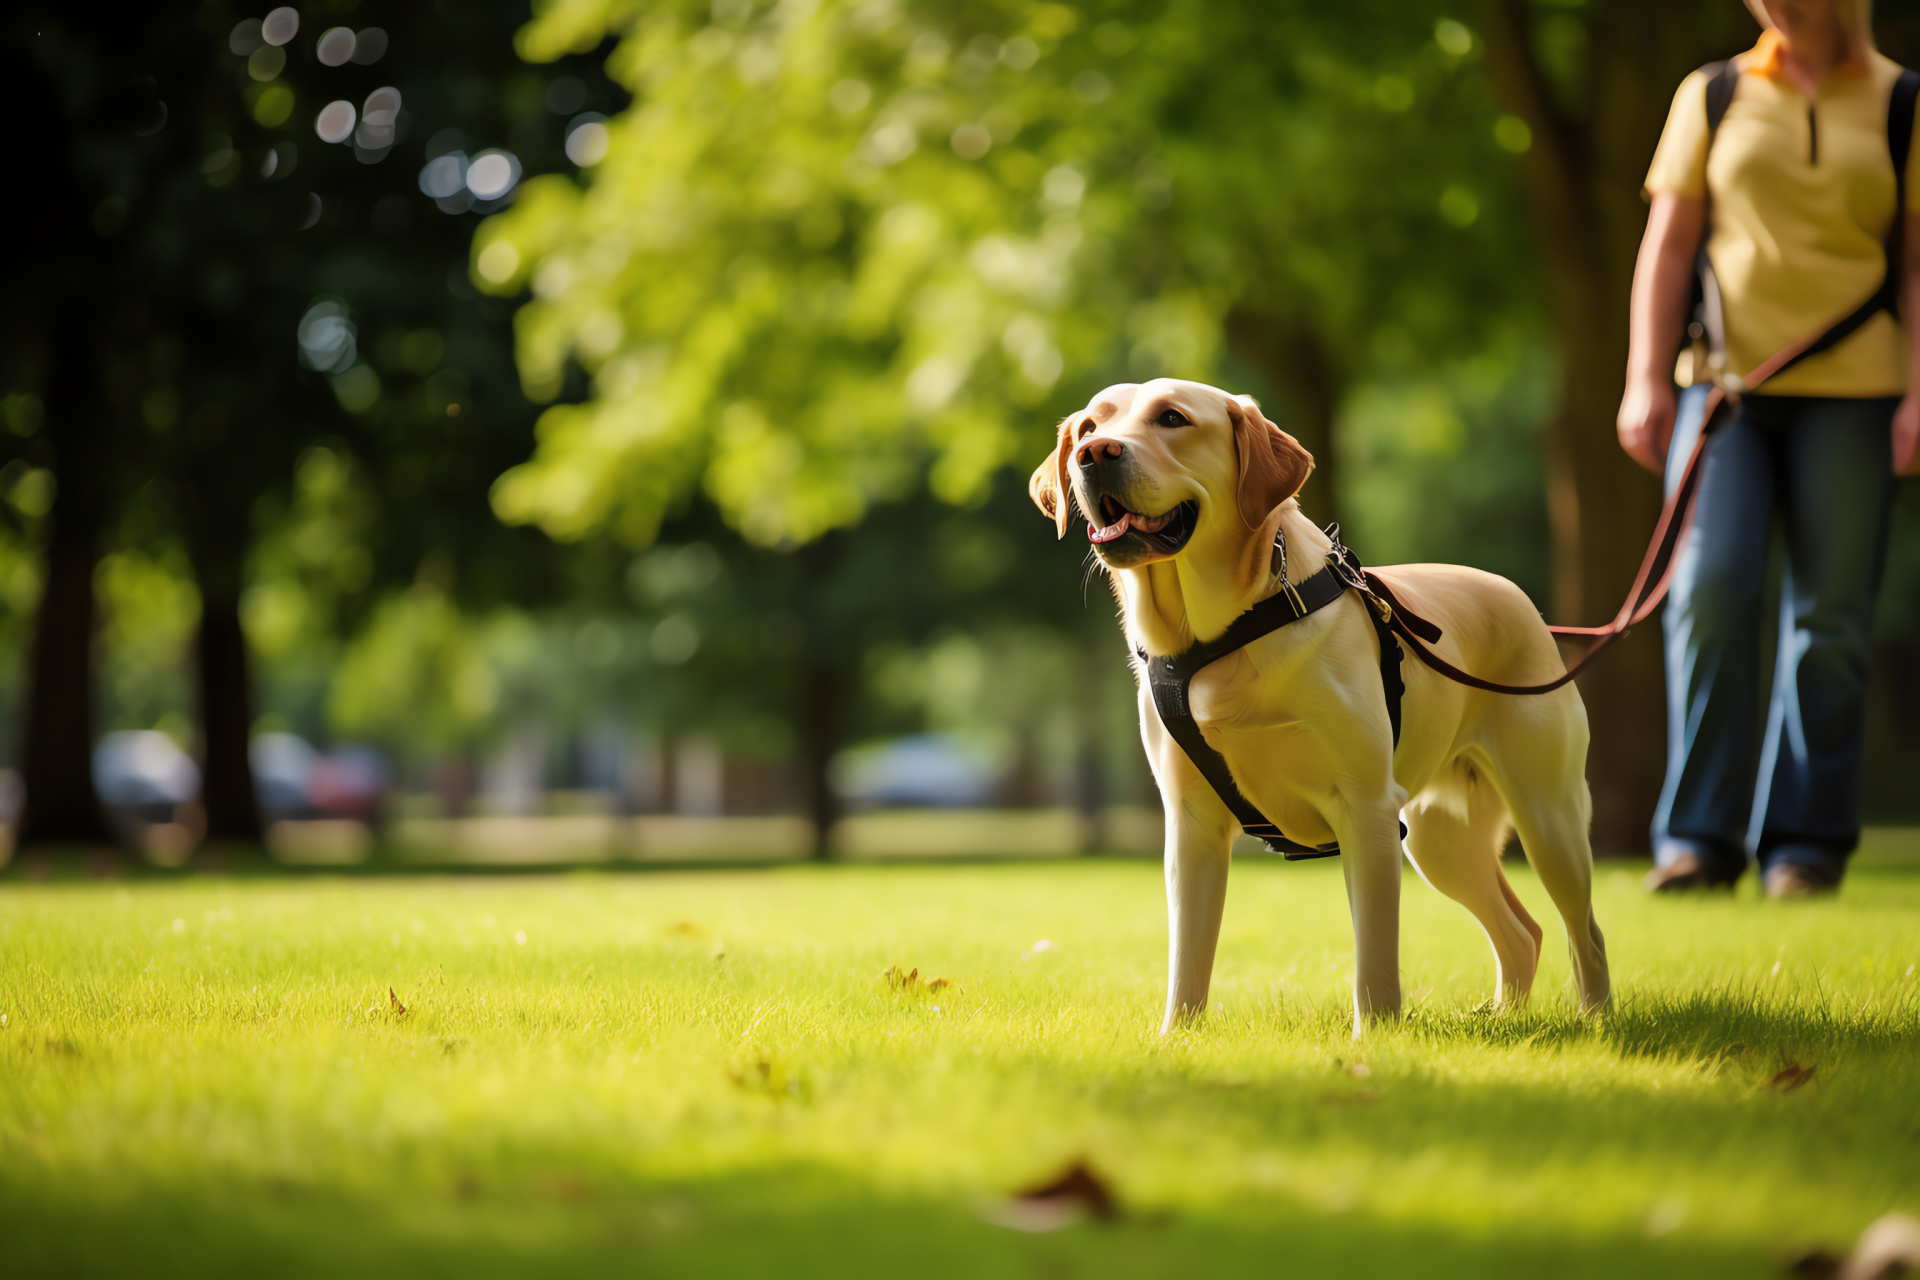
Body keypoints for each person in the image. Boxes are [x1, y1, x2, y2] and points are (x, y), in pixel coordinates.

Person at [1618, 0, 1919, 898]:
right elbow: (1667, 247)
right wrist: (1645, 378)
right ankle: (1697, 841)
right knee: (1709, 594)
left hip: (1860, 393)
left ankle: (1803, 848)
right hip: (1727, 390)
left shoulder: (1902, 102)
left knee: (1830, 621)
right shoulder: (1711, 94)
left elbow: (1916, 264)